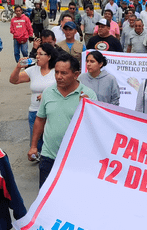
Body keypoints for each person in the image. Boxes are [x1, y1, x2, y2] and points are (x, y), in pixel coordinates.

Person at [29, 53, 97, 188]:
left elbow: (94, 127)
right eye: (57, 72)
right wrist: (33, 146)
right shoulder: (48, 92)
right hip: (49, 157)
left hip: (76, 159)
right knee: (45, 198)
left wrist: (87, 107)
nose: (59, 77)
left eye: (64, 73)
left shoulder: (89, 95)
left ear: (76, 74)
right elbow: (40, 119)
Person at [10, 43, 58, 158]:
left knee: (50, 140)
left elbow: (64, 87)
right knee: (36, 141)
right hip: (34, 111)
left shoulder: (56, 71)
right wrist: (18, 68)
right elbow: (14, 80)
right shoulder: (32, 70)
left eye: (41, 54)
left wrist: (47, 94)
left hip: (51, 112)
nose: (37, 57)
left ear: (49, 57)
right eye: (37, 54)